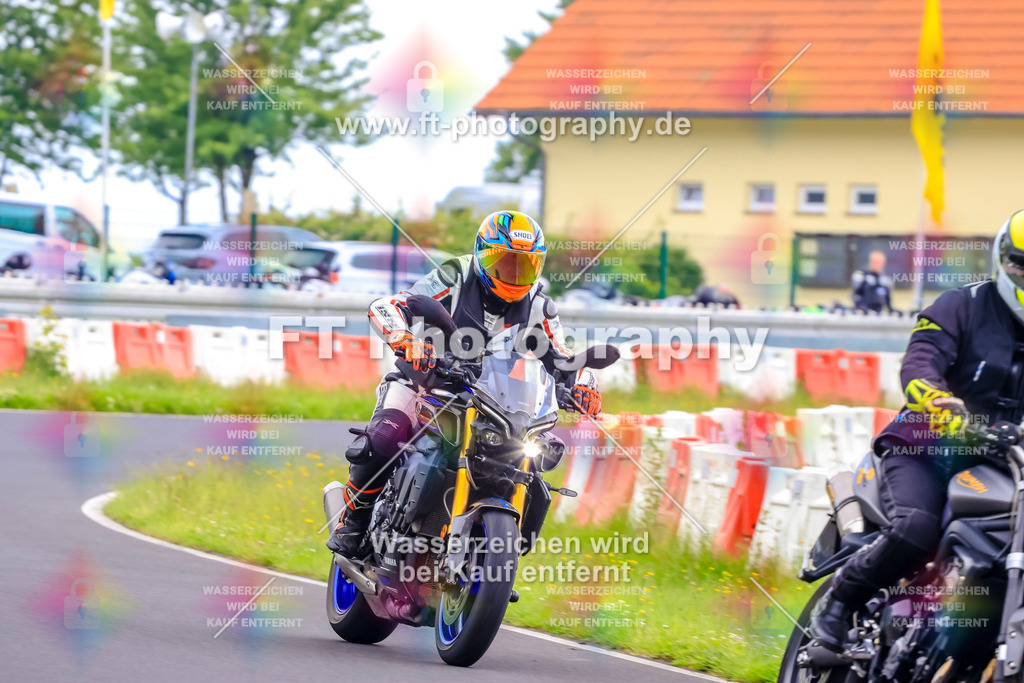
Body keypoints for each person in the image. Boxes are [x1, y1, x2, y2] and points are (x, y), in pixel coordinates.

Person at [327, 210, 603, 557]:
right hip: (425, 384)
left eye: (525, 265)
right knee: (383, 439)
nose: (515, 274)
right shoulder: (454, 275)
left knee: (529, 460)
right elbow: (392, 304)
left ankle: (489, 551)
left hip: (496, 403)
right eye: (506, 262)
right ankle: (352, 521)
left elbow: (563, 358)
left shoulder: (538, 306)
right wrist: (404, 337)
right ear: (483, 255)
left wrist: (583, 384)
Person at [809, 211, 1024, 651]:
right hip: (926, 448)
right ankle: (838, 601)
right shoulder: (961, 305)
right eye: (1020, 264)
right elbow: (920, 361)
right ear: (1002, 259)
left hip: (1004, 464)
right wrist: (937, 400)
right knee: (917, 528)